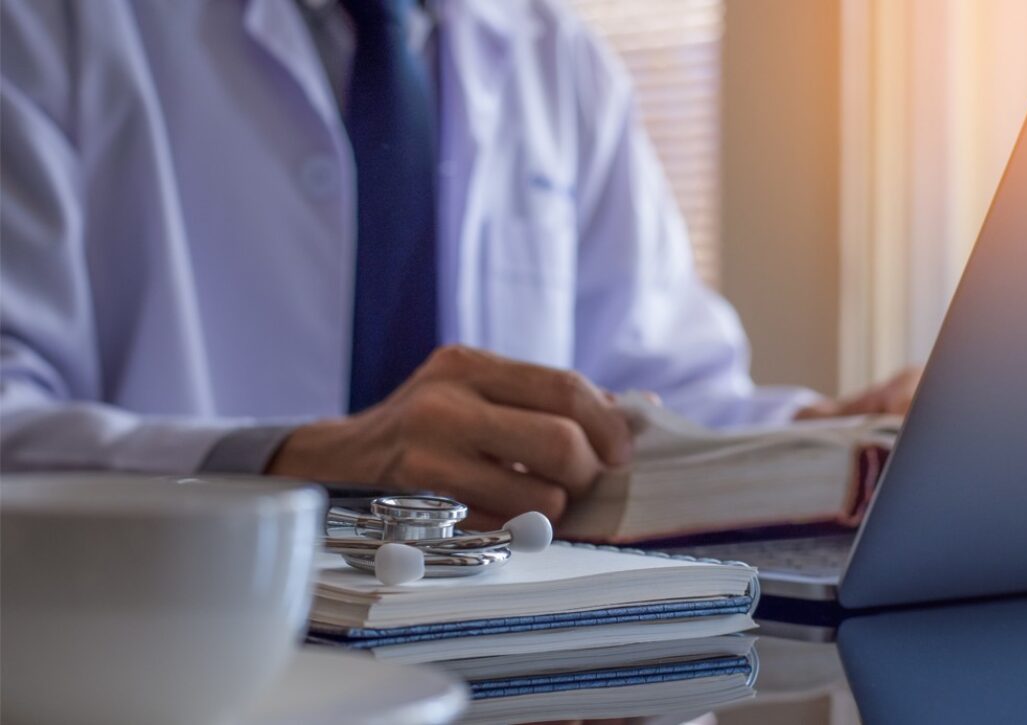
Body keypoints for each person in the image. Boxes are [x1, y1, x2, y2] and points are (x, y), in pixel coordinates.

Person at [0, 0, 917, 528]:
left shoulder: (560, 58)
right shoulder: (48, 29)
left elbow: (653, 394)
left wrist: (826, 435)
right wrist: (308, 463)